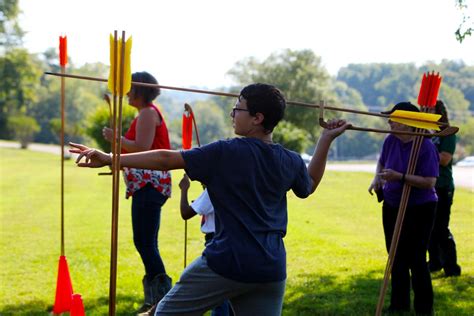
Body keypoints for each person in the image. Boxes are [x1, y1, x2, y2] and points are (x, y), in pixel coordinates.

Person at [70, 83, 349, 315]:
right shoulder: (288, 159)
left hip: (227, 261)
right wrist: (324, 140)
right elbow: (309, 184)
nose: (232, 113)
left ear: (257, 118)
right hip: (270, 268)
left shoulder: (226, 151)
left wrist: (110, 158)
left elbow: (166, 159)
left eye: (238, 108)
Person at [102, 71, 172, 313]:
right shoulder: (147, 113)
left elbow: (142, 147)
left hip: (149, 183)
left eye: (131, 89)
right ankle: (156, 300)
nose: (128, 93)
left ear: (141, 91)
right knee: (145, 241)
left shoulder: (147, 114)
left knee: (145, 241)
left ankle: (161, 300)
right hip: (148, 184)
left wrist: (117, 139)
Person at [368, 102, 439, 315]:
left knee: (416, 258)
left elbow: (429, 182)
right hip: (391, 203)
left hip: (420, 207)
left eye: (394, 119)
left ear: (408, 124)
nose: (389, 122)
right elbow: (382, 163)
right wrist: (377, 179)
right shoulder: (390, 140)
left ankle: (424, 308)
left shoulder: (425, 146)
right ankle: (399, 304)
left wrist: (400, 177)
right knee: (395, 255)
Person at [178, 174, 234, 316]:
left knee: (217, 297)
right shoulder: (229, 186)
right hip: (230, 241)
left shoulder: (213, 190)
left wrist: (184, 189)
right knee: (230, 293)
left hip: (215, 242)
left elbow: (185, 212)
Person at [428, 100, 462, 277]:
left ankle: (452, 267)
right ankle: (434, 263)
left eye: (431, 110)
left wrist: (426, 146)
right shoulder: (424, 132)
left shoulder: (448, 134)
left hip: (443, 185)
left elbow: (444, 159)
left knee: (441, 227)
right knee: (428, 228)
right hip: (427, 186)